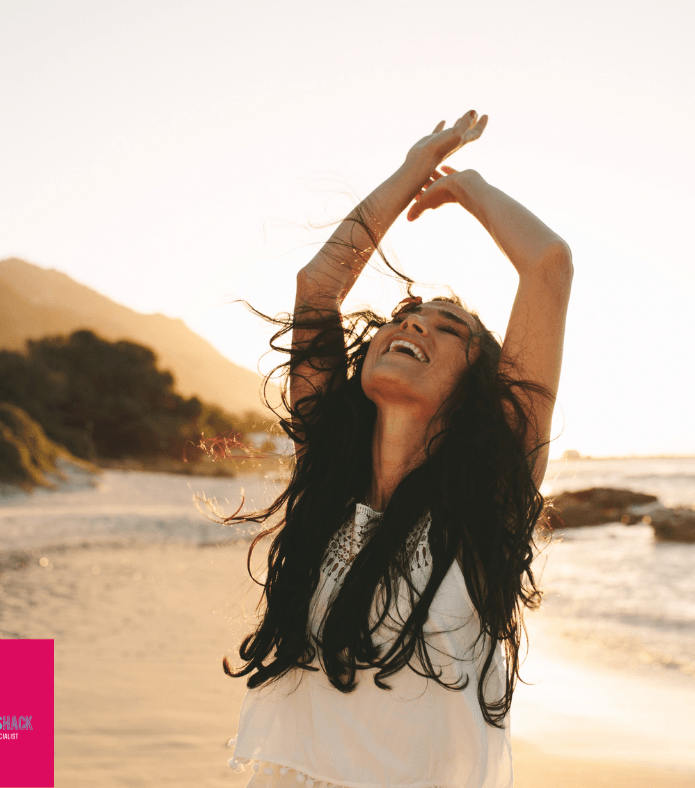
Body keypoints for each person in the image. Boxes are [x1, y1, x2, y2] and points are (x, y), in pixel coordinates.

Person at [221, 110, 572, 788]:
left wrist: (465, 187)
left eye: (448, 330)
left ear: (475, 393)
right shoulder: (328, 483)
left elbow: (548, 265)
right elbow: (317, 287)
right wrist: (409, 170)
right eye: (405, 318)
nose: (413, 326)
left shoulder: (484, 509)